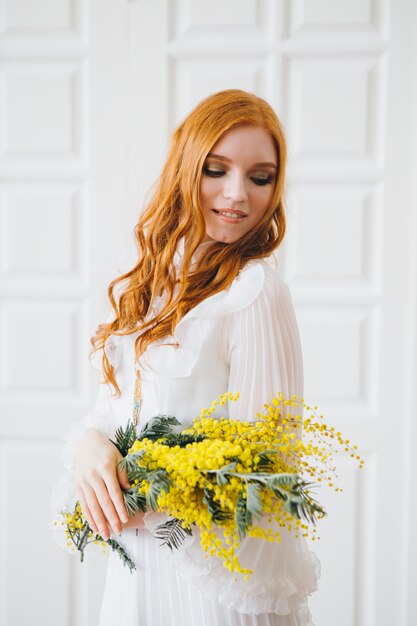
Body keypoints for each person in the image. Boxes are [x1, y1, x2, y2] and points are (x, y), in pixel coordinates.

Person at [55, 89, 320, 626]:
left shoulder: (256, 293)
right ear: (184, 168)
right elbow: (116, 413)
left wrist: (155, 483)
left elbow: (265, 469)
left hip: (209, 588)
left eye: (260, 177)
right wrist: (89, 446)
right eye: (215, 170)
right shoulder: (150, 285)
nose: (236, 194)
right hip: (136, 576)